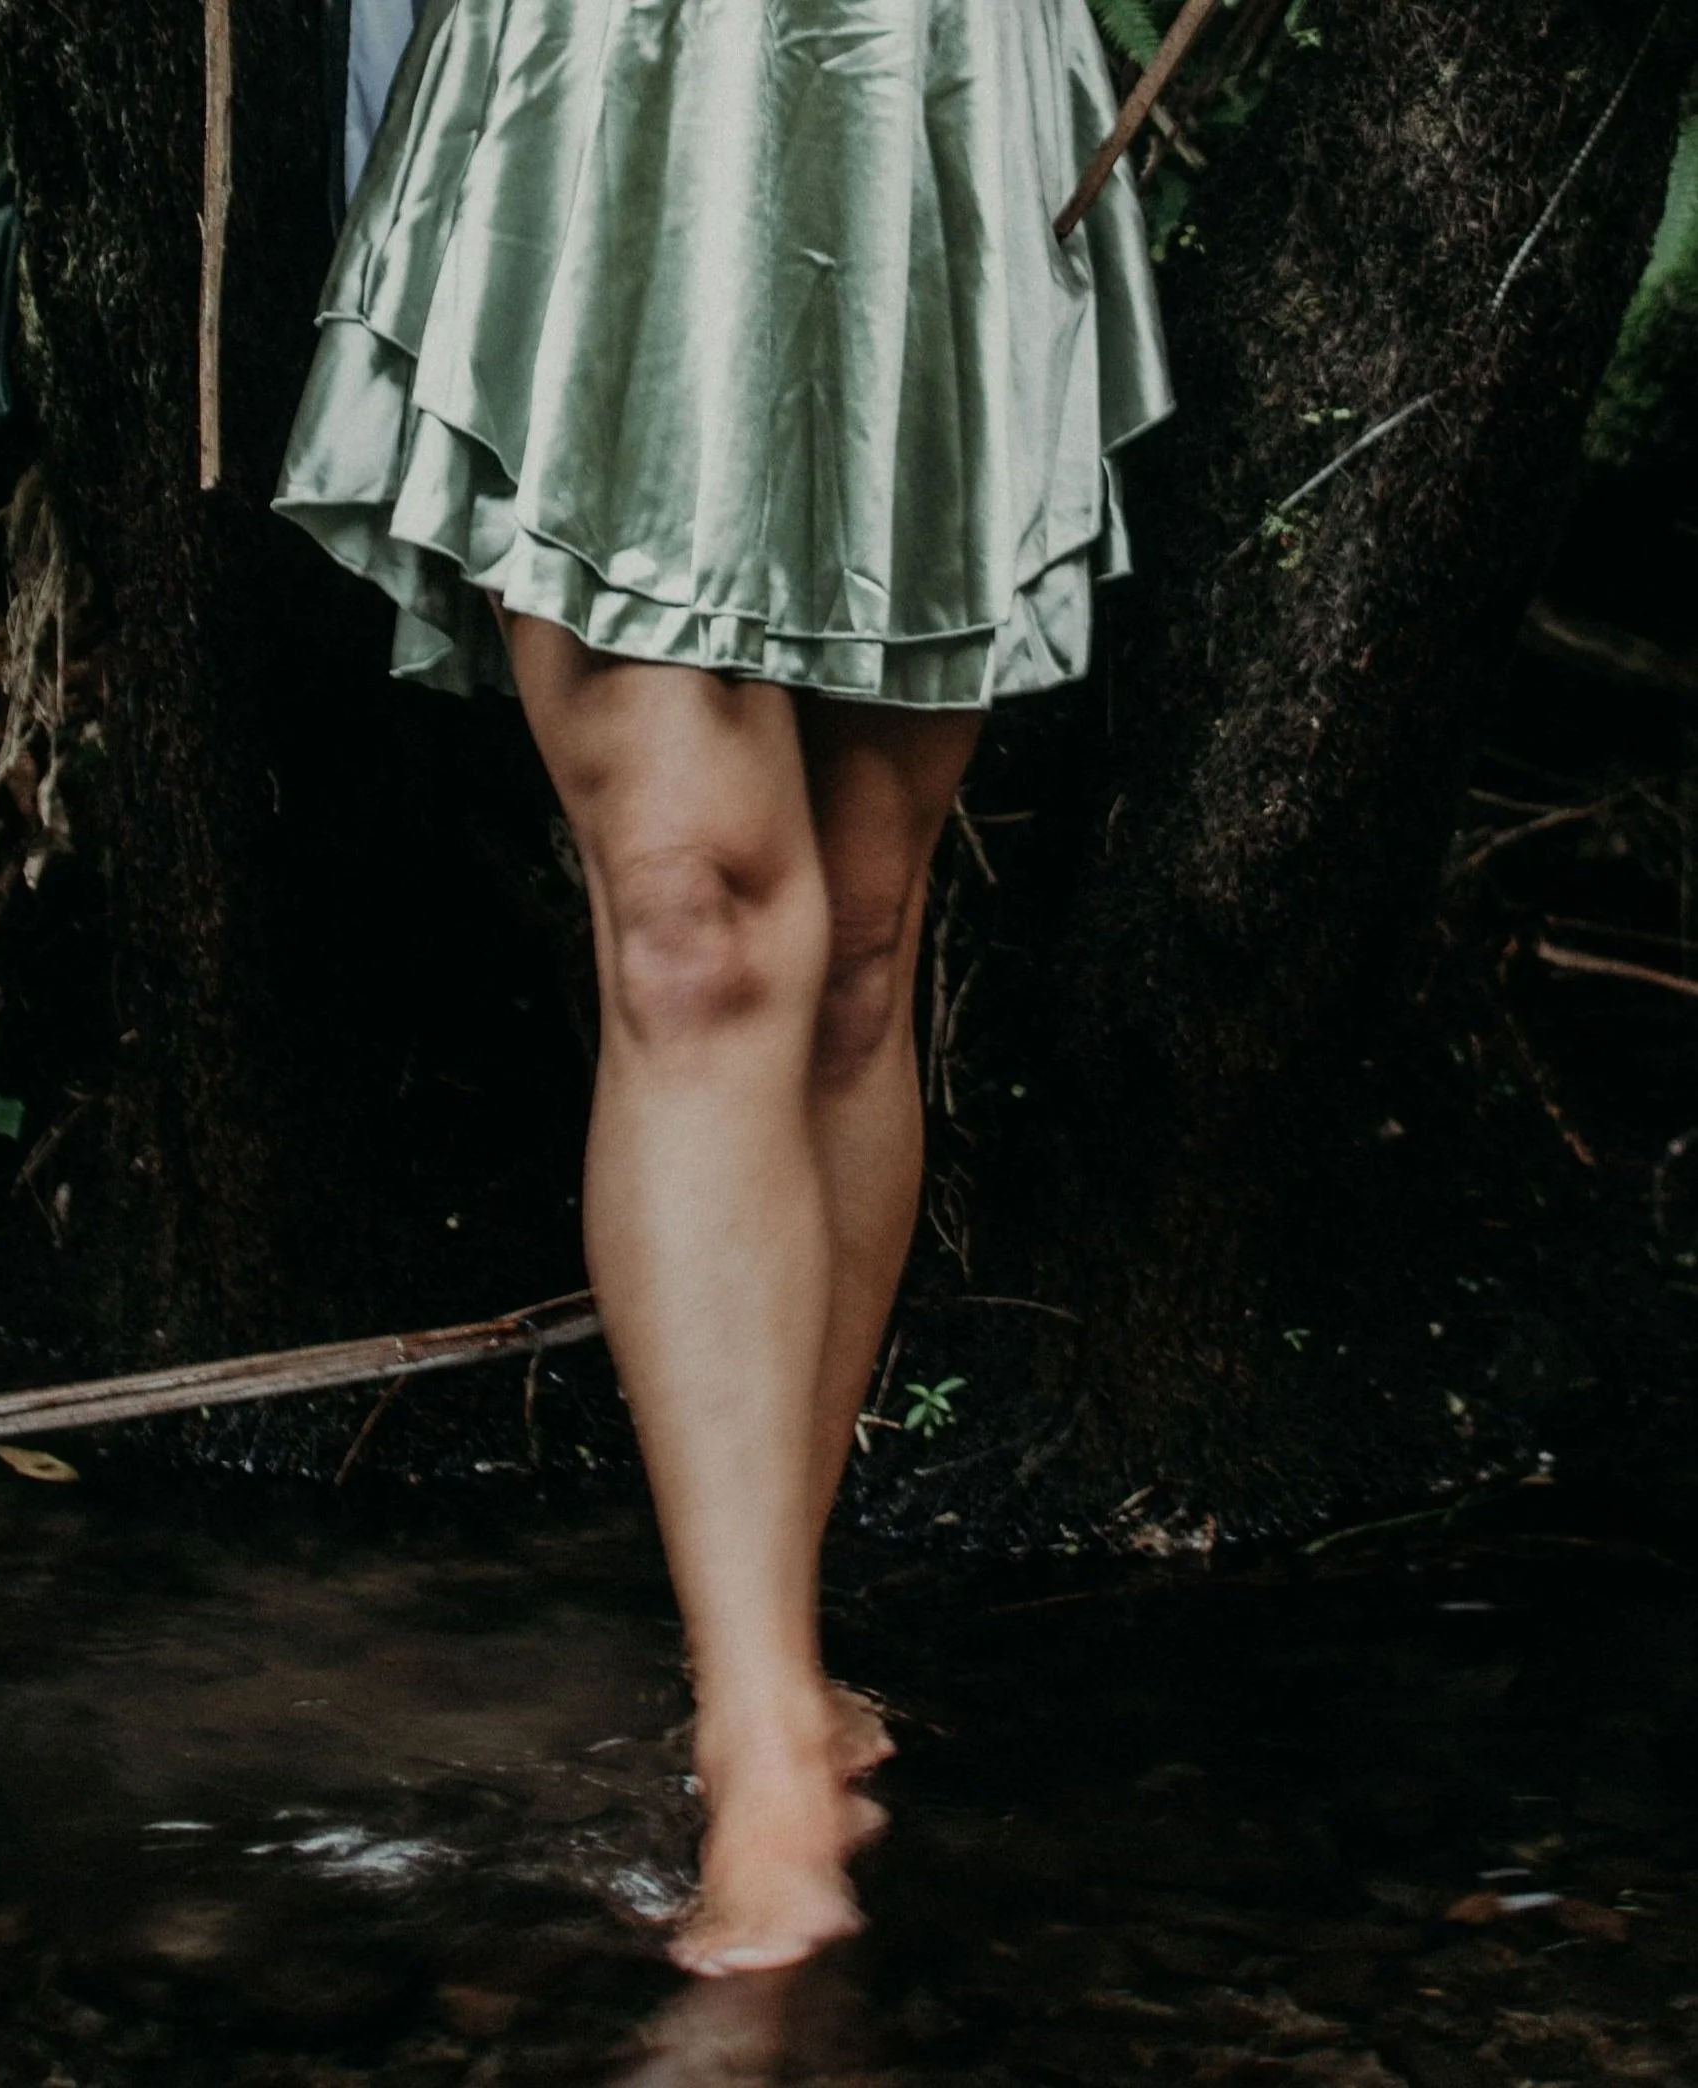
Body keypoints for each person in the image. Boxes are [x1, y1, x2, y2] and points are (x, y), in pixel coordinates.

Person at [273, 0, 1174, 1977]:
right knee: (696, 922)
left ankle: (780, 1638)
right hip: (606, 80)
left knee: (853, 947)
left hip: (931, 76)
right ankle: (756, 1733)